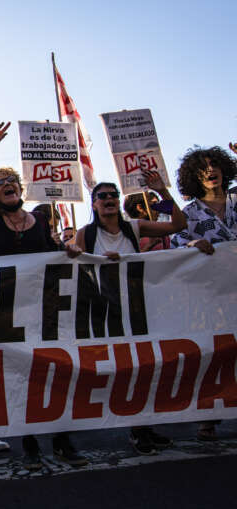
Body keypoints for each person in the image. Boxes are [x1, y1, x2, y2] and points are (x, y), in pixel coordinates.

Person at [0, 122, 87, 470]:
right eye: (1, 183)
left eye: (12, 180)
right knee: (23, 377)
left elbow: (54, 251)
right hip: (9, 310)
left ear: (20, 188)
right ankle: (30, 445)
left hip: (46, 307)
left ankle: (62, 440)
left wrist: (68, 251)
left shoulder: (41, 218)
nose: (8, 184)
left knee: (56, 371)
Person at [73, 174, 186, 454]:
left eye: (113, 195)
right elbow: (76, 265)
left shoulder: (134, 227)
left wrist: (163, 192)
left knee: (147, 367)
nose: (109, 199)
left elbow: (178, 226)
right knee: (127, 369)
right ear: (94, 203)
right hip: (109, 313)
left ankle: (146, 426)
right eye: (103, 196)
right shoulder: (86, 233)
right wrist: (79, 255)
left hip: (140, 308)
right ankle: (137, 430)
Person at [169, 145, 237, 442]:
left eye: (214, 164)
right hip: (214, 295)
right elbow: (175, 241)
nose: (210, 170)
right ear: (194, 178)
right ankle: (209, 417)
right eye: (202, 168)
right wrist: (191, 245)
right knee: (216, 354)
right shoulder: (190, 213)